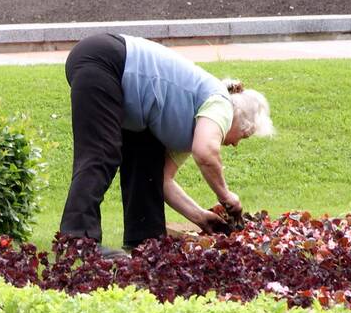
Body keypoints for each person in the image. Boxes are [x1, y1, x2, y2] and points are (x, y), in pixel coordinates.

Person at [60, 33, 274, 257]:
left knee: (147, 157)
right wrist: (226, 197)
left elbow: (163, 180)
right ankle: (78, 240)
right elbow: (206, 154)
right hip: (104, 60)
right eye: (244, 135)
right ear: (238, 119)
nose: (236, 144)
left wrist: (200, 216)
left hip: (117, 77)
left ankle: (145, 243)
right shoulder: (221, 104)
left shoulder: (188, 124)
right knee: (102, 153)